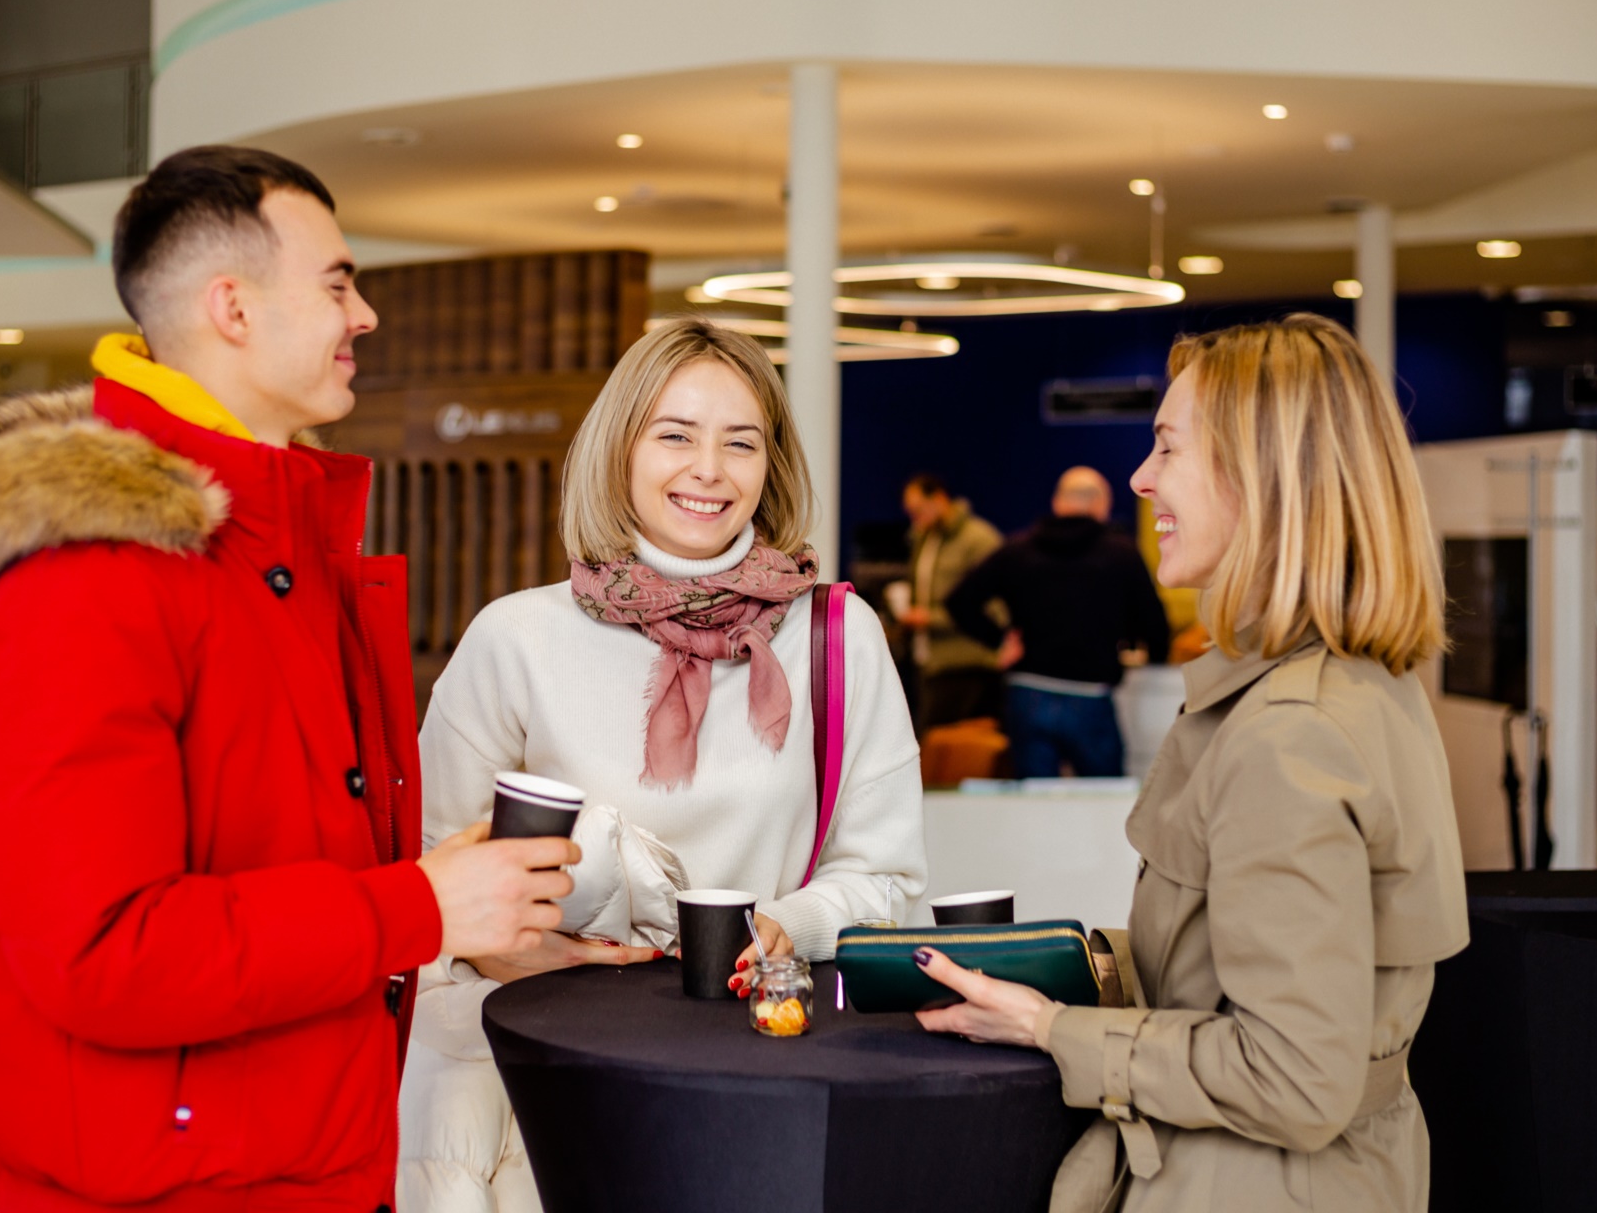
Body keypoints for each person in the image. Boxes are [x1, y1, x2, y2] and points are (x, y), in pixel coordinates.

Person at [0, 145, 576, 1213]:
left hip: (288, 1143)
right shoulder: (89, 574)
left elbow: (280, 846)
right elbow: (101, 951)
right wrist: (417, 905)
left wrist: (449, 895)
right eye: (338, 283)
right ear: (232, 306)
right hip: (158, 1178)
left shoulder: (273, 548)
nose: (364, 316)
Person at [911, 315, 1468, 1213]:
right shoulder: (1363, 685)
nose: (1142, 478)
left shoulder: (1288, 733)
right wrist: (1063, 969)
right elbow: (1240, 963)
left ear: (1263, 478)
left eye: (1168, 447)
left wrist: (1052, 1028)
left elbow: (1292, 1076)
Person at [402, 318, 926, 1211]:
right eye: (675, 436)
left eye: (741, 442)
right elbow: (427, 879)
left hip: (755, 1081)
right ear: (620, 449)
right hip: (546, 1085)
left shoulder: (839, 636)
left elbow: (889, 881)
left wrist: (783, 927)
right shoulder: (516, 639)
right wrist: (507, 950)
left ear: (773, 464)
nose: (709, 470)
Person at [946, 465, 1170, 778]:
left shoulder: (1017, 550)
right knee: (1104, 798)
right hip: (1091, 694)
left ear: (1057, 502)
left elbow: (959, 601)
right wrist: (1147, 657)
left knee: (1035, 799)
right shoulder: (1122, 555)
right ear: (1102, 505)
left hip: (1027, 691)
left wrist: (1000, 639)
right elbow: (1155, 626)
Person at [898, 472, 1003, 729]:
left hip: (968, 664)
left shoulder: (979, 539)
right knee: (931, 742)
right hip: (930, 662)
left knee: (952, 745)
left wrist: (930, 618)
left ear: (939, 498)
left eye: (918, 510)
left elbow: (995, 608)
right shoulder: (926, 539)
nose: (915, 519)